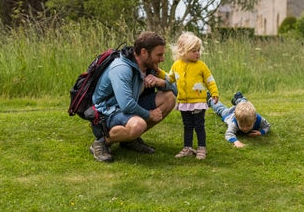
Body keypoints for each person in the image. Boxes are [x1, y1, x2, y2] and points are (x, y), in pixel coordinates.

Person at [88, 31, 177, 162]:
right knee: (138, 125)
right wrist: (148, 115)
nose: (162, 59)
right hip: (107, 112)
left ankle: (129, 140)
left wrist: (161, 82)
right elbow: (126, 104)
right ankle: (102, 142)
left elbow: (175, 91)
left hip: (126, 108)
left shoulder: (148, 66)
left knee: (169, 98)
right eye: (159, 55)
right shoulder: (121, 68)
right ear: (144, 52)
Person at [165, 32, 219, 160]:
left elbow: (209, 80)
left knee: (199, 125)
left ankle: (201, 148)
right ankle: (187, 148)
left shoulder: (201, 66)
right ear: (183, 51)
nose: (198, 53)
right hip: (184, 102)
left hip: (198, 101)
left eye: (199, 50)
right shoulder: (176, 65)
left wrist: (214, 92)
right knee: (187, 126)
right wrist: (158, 73)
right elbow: (170, 78)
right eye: (194, 51)